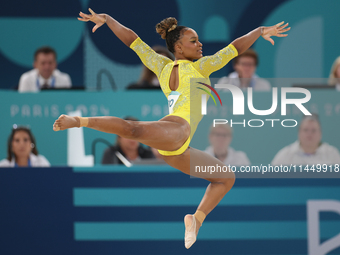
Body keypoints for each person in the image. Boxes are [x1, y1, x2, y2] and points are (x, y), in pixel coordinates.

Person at [53, 8, 289, 249]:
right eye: (193, 41)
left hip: (176, 149)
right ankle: (78, 121)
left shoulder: (162, 66)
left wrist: (109, 20)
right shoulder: (199, 68)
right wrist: (259, 31)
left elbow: (133, 41)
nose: (200, 45)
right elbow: (235, 49)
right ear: (178, 47)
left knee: (226, 178)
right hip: (176, 130)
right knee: (132, 129)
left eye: (198, 40)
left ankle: (195, 219)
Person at [271, 114, 340, 165]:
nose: (309, 134)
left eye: (313, 130)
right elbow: (272, 178)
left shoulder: (332, 154)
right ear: (299, 133)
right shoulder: (285, 155)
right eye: (305, 130)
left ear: (320, 133)